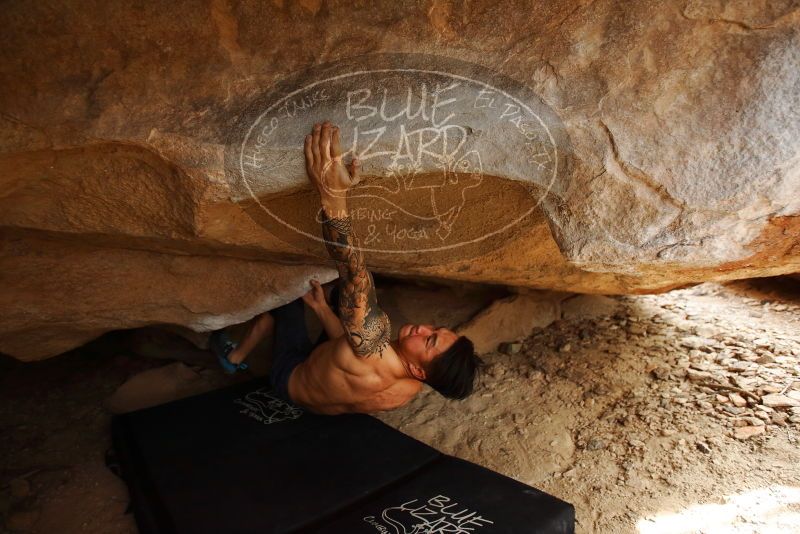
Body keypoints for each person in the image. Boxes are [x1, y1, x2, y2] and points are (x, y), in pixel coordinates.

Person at [212, 121, 483, 414]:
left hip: (290, 378)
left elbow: (354, 274)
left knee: (289, 301)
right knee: (329, 303)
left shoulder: (373, 343)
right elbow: (351, 349)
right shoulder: (409, 389)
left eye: (429, 340)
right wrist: (321, 310)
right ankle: (298, 313)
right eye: (436, 328)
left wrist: (333, 193)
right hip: (321, 393)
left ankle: (234, 357)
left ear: (420, 370)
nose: (423, 327)